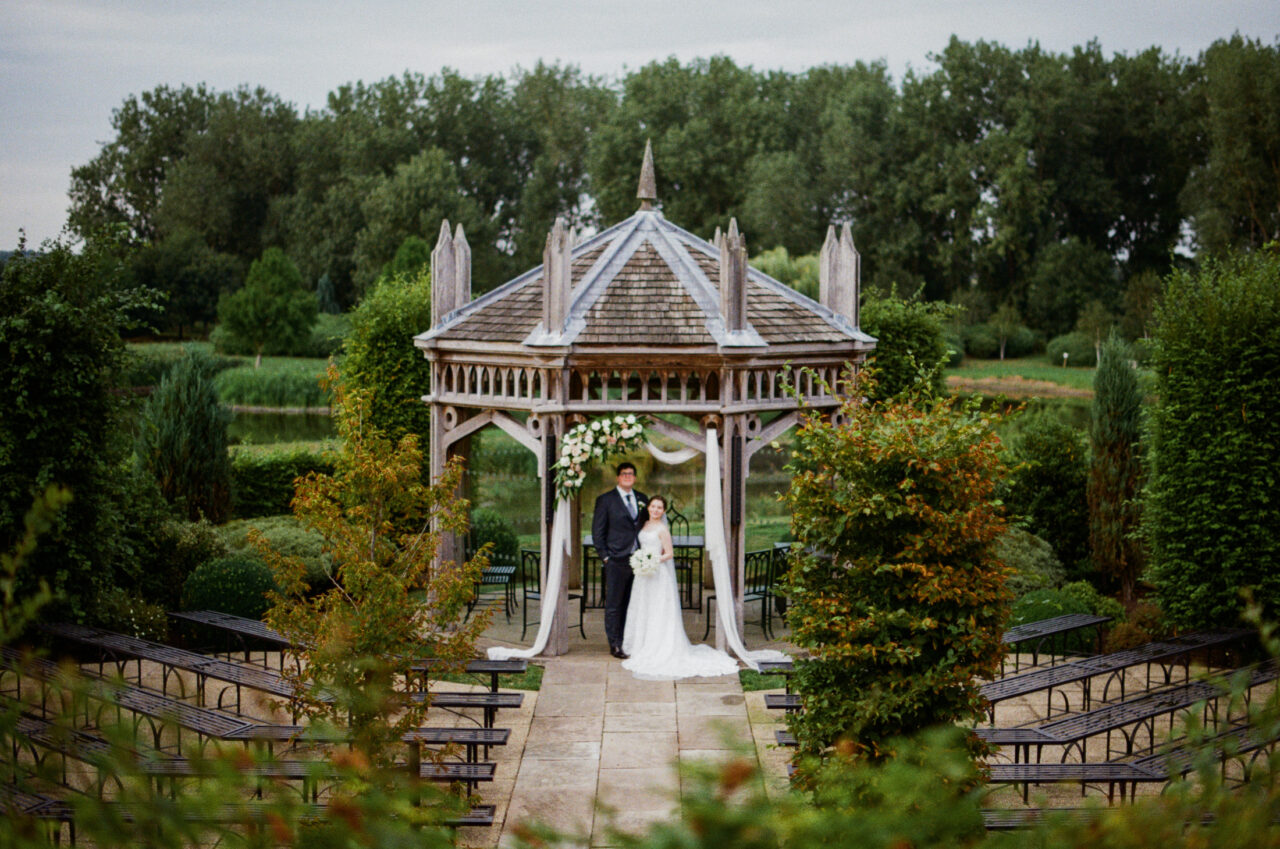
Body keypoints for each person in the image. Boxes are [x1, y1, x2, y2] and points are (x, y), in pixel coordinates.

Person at [622, 494, 739, 680]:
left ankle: (660, 647)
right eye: (653, 506)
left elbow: (669, 553)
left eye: (659, 508)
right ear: (648, 508)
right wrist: (641, 560)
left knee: (659, 610)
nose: (655, 510)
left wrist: (651, 560)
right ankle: (642, 645)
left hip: (657, 574)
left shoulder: (662, 529)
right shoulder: (644, 525)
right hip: (644, 575)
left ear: (663, 511)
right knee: (644, 608)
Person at [592, 462, 646, 659]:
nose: (627, 477)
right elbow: (598, 532)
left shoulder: (642, 498)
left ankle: (629, 640)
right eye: (624, 474)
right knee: (614, 604)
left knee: (633, 603)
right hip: (616, 560)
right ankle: (614, 643)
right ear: (618, 477)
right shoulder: (605, 500)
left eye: (631, 474)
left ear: (635, 477)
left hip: (639, 561)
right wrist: (605, 557)